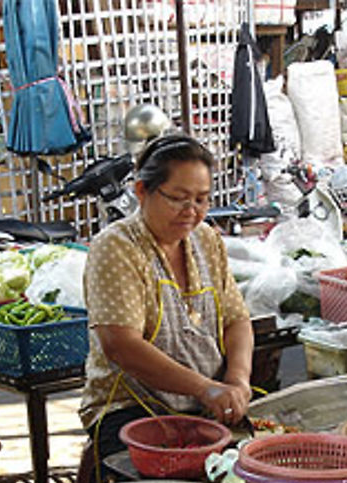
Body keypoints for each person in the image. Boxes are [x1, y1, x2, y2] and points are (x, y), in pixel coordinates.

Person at [80, 133, 254, 462]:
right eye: (178, 198)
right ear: (142, 191)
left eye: (202, 200)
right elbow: (121, 345)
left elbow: (236, 319)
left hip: (205, 405)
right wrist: (205, 388)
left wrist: (236, 380)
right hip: (131, 406)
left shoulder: (206, 240)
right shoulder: (117, 247)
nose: (191, 211)